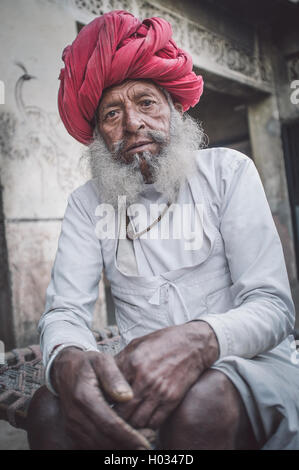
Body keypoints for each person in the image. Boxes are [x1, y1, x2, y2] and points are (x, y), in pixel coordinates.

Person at [27, 10, 299, 450]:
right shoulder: (86, 202)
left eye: (146, 103)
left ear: (173, 108)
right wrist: (67, 360)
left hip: (247, 365)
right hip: (140, 376)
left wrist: (200, 341)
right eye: (112, 113)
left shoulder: (229, 172)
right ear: (98, 134)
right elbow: (65, 314)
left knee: (201, 405)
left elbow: (272, 308)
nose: (132, 123)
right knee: (49, 410)